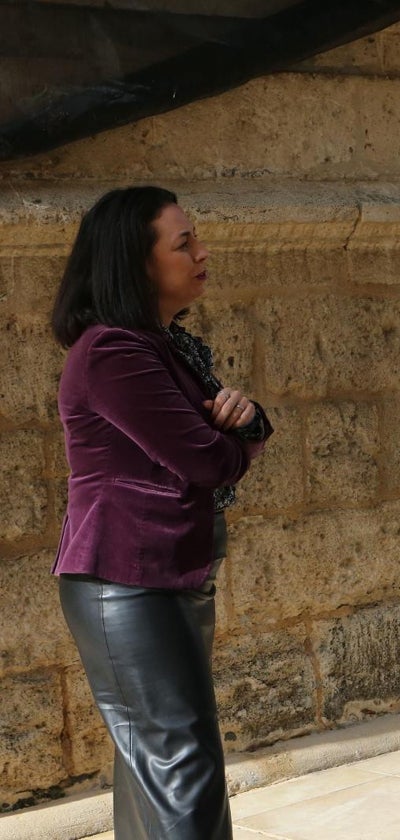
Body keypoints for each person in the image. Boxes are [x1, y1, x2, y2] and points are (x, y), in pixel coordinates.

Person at [50, 186, 272, 839]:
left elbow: (218, 443)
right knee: (185, 780)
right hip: (126, 583)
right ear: (136, 262)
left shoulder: (159, 346)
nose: (202, 252)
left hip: (160, 579)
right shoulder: (114, 352)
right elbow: (207, 460)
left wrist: (247, 423)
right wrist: (247, 434)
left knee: (156, 779)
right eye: (183, 244)